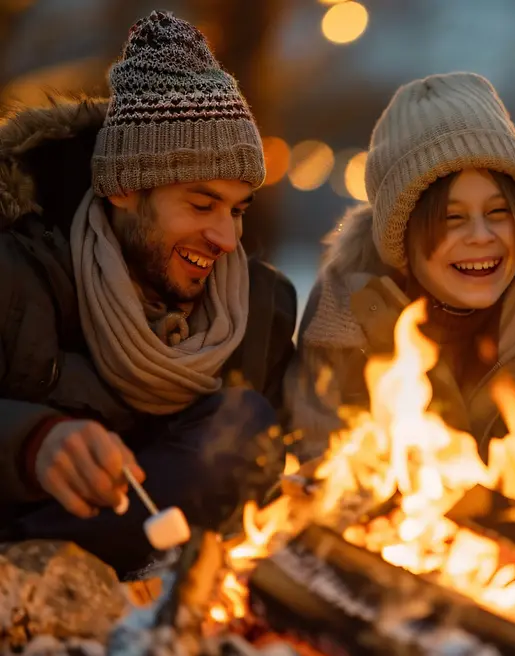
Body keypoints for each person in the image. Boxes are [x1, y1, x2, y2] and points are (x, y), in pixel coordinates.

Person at [0, 10, 297, 577]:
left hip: (177, 599)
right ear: (125, 190)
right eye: (201, 205)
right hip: (22, 571)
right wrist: (30, 441)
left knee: (241, 424)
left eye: (238, 210)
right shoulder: (17, 276)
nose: (226, 239)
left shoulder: (263, 310)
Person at [287, 72, 515, 516]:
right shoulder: (346, 314)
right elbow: (316, 462)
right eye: (452, 218)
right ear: (403, 235)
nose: (481, 236)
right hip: (381, 539)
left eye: (498, 213)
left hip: (508, 555)